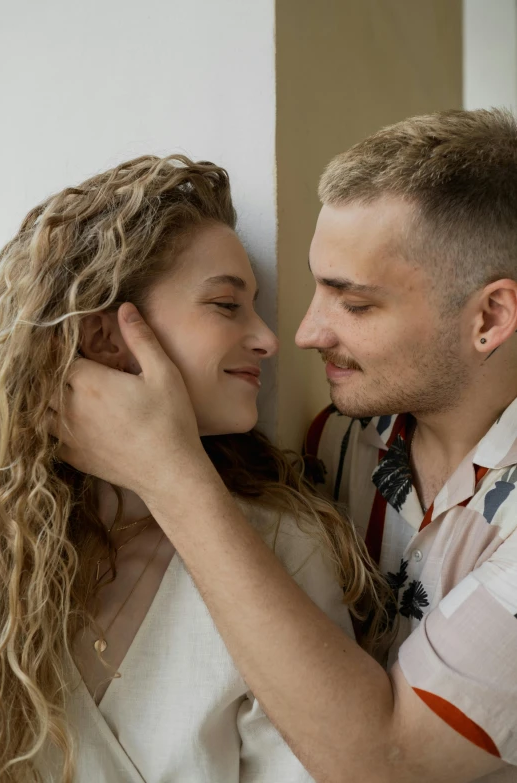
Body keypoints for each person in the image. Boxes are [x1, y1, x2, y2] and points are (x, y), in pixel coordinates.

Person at [49, 107, 517, 783]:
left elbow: (387, 764)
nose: (303, 334)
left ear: (490, 318)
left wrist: (170, 472)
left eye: (353, 304)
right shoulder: (340, 439)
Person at [0, 155, 388, 782]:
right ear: (106, 337)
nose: (269, 338)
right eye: (226, 305)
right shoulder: (5, 543)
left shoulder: (287, 547)